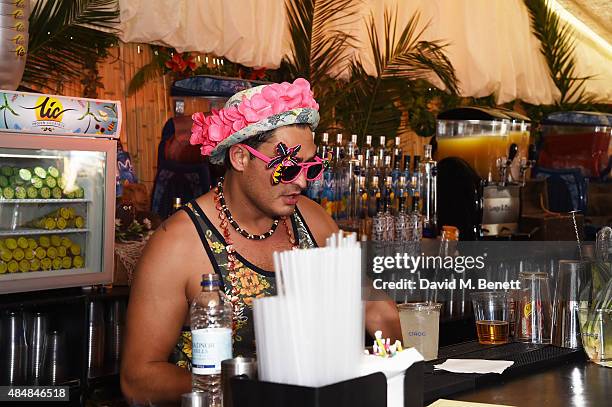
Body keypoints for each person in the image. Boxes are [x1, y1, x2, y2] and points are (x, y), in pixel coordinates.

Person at [120, 78, 401, 405]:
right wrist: (245, 392)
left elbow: (378, 309)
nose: (300, 181)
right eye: (287, 167)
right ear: (240, 158)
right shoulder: (178, 245)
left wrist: (395, 370)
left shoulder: (312, 220)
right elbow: (138, 378)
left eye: (309, 168)